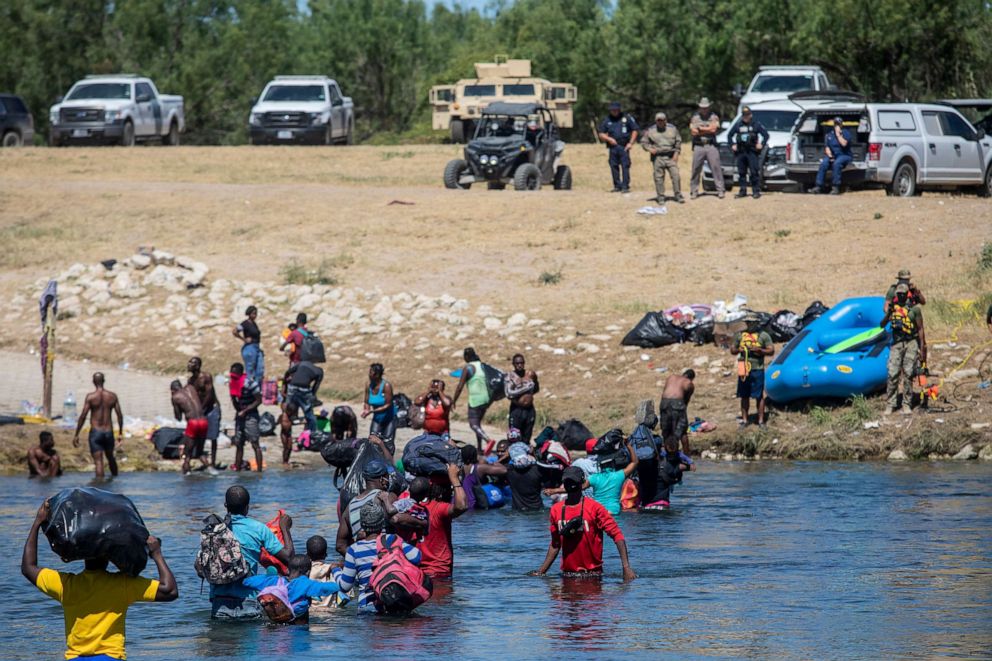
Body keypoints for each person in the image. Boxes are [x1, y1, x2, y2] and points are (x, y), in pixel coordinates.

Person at [22, 499, 178, 660]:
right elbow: (170, 590)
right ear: (110, 556)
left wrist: (37, 522)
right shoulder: (122, 585)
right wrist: (157, 554)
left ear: (83, 556)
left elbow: (28, 567)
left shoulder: (66, 585)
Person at [530, 466, 636, 580]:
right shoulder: (556, 509)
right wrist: (541, 572)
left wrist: (626, 568)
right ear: (564, 484)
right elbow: (555, 544)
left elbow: (617, 536)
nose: (571, 485)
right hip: (567, 575)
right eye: (567, 482)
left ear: (582, 483)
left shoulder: (595, 508)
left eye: (573, 481)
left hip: (593, 575)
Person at [209, 485, 294, 619]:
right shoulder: (258, 529)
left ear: (225, 505)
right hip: (248, 602)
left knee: (221, 640)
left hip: (219, 604)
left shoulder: (213, 530)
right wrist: (285, 528)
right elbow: (289, 558)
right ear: (247, 507)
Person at [333, 500, 425, 613]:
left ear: (362, 524)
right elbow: (417, 556)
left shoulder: (354, 549)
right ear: (382, 523)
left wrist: (335, 570)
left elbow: (345, 586)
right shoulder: (392, 540)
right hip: (394, 603)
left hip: (367, 608)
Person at [243, 554, 340, 624]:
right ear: (308, 572)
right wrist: (337, 572)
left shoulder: (273, 581)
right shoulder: (305, 583)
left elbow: (246, 582)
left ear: (288, 569)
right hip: (298, 630)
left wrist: (269, 576)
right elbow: (334, 587)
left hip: (274, 627)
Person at [881, 283, 927, 415]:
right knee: (892, 372)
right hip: (897, 343)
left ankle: (907, 403)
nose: (901, 296)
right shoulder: (893, 309)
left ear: (907, 294)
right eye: (898, 294)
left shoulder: (914, 310)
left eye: (903, 294)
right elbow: (882, 325)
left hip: (911, 342)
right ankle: (891, 404)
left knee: (908, 373)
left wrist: (922, 346)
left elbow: (920, 329)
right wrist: (888, 313)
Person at [420, 463, 468, 579]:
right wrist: (455, 480)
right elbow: (462, 506)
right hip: (438, 572)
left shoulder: (414, 506)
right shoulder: (439, 509)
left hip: (418, 572)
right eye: (449, 489)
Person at [72, 372, 123, 480]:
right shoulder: (112, 396)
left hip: (96, 432)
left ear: (93, 382)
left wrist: (76, 434)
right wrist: (120, 433)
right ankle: (116, 482)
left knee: (99, 462)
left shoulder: (91, 397)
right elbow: (119, 415)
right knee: (111, 458)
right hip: (108, 432)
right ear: (104, 381)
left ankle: (99, 487)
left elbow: (83, 416)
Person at [731, 319, 774, 426]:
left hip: (757, 368)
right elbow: (732, 349)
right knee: (743, 395)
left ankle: (760, 421)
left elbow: (771, 350)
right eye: (748, 322)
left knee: (759, 395)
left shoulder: (763, 335)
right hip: (743, 368)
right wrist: (739, 350)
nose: (750, 325)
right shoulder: (739, 335)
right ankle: (745, 420)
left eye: (752, 322)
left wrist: (760, 351)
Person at [280, 358, 323, 464]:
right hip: (304, 389)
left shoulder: (302, 364)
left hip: (293, 387)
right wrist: (312, 397)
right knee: (309, 413)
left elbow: (288, 372)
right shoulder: (319, 372)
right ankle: (312, 436)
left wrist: (284, 383)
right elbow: (315, 387)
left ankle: (287, 431)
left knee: (288, 411)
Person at [451, 347, 493, 450]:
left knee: (473, 424)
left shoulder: (468, 368)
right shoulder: (481, 365)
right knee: (478, 424)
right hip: (486, 399)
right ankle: (479, 448)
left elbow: (460, 387)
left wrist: (454, 400)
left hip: (475, 400)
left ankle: (488, 440)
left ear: (466, 357)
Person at [640, 111, 684, 203]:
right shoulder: (651, 130)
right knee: (658, 177)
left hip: (670, 156)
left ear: (665, 121)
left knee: (676, 176)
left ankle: (678, 195)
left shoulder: (672, 129)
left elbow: (678, 141)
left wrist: (676, 153)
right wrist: (649, 149)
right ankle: (660, 197)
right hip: (658, 157)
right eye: (658, 121)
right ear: (656, 121)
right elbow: (644, 142)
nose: (660, 122)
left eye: (662, 120)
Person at [597, 101, 640, 193]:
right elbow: (601, 133)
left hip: (624, 146)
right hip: (613, 146)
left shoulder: (626, 118)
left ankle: (625, 186)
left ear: (619, 110)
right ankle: (617, 185)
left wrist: (631, 143)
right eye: (612, 110)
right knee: (613, 166)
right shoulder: (607, 120)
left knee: (625, 165)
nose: (614, 112)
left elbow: (635, 130)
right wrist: (609, 139)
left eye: (616, 110)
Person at [727, 106, 769, 199]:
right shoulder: (738, 125)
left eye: (747, 115)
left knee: (754, 172)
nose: (745, 117)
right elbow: (729, 135)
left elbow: (766, 135)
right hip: (741, 152)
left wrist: (761, 144)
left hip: (752, 151)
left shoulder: (756, 124)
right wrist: (732, 145)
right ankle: (742, 191)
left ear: (751, 115)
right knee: (741, 172)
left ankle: (756, 191)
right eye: (744, 115)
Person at [229, 363, 263, 472]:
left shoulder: (250, 383)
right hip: (240, 416)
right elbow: (234, 400)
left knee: (255, 443)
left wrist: (246, 410)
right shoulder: (232, 384)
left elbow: (259, 400)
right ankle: (237, 470)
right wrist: (237, 406)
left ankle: (259, 471)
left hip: (251, 416)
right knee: (239, 443)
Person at [188, 357, 221, 469]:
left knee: (213, 436)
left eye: (192, 363)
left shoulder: (206, 377)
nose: (189, 365)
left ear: (198, 366)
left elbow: (209, 394)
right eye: (189, 362)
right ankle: (202, 459)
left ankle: (213, 462)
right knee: (199, 435)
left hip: (211, 408)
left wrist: (201, 409)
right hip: (201, 410)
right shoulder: (191, 381)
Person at [689, 97, 725, 199]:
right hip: (698, 146)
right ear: (699, 107)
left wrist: (701, 129)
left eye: (706, 107)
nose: (704, 109)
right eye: (702, 107)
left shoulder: (714, 117)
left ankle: (720, 190)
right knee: (696, 169)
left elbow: (714, 130)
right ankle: (694, 191)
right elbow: (693, 131)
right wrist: (707, 129)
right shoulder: (695, 117)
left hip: (711, 145)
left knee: (716, 167)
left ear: (709, 107)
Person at [170, 379, 208, 474]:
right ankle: (211, 469)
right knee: (200, 452)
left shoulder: (175, 396)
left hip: (193, 423)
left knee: (187, 453)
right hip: (204, 421)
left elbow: (178, 417)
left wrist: (175, 404)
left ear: (172, 390)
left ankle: (186, 473)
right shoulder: (191, 388)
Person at [812, 116, 853, 195]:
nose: (837, 126)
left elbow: (844, 144)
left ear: (841, 125)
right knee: (824, 163)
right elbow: (827, 147)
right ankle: (818, 186)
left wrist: (838, 135)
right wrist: (830, 156)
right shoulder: (829, 135)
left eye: (838, 124)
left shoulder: (846, 132)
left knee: (837, 163)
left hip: (844, 155)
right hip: (833, 155)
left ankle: (835, 187)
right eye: (835, 124)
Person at [362, 363, 397, 453]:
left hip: (389, 418)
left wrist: (372, 411)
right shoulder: (368, 385)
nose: (369, 374)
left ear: (377, 375)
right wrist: (366, 409)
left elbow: (387, 404)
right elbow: (366, 401)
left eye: (371, 372)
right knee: (372, 440)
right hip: (377, 418)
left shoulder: (386, 386)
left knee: (388, 443)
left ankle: (389, 464)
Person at [460, 444, 508, 509]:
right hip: (476, 504)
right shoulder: (480, 468)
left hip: (463, 503)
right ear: (475, 455)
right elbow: (504, 470)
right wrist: (494, 463)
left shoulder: (459, 468)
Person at [660, 369, 696, 454]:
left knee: (666, 431)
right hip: (678, 403)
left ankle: (667, 454)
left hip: (664, 403)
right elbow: (685, 401)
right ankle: (687, 457)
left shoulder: (671, 377)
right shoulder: (689, 383)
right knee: (683, 431)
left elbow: (665, 392)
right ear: (691, 378)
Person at [506, 353, 540, 443]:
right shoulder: (510, 376)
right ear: (513, 364)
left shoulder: (530, 374)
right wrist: (525, 389)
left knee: (527, 435)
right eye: (517, 363)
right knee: (514, 436)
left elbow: (536, 388)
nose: (519, 365)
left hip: (529, 409)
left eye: (521, 363)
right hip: (516, 409)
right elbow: (509, 394)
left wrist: (529, 396)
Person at [503, 440, 544, 511]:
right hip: (538, 509)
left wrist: (505, 457)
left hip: (518, 511)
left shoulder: (509, 470)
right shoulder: (538, 469)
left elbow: (491, 466)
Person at [305, 535, 341, 610]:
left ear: (307, 554)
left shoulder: (304, 571)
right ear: (326, 555)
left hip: (311, 613)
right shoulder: (334, 570)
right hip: (331, 614)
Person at [233, 305, 264, 382]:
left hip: (256, 347)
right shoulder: (245, 323)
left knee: (260, 369)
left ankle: (257, 388)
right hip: (250, 348)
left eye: (256, 313)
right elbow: (235, 331)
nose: (255, 315)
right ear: (249, 314)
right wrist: (243, 339)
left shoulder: (254, 324)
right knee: (250, 369)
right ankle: (250, 387)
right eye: (253, 313)